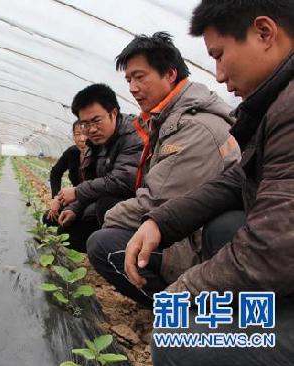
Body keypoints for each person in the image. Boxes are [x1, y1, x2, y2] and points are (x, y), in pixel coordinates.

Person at [119, 1, 294, 364]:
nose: (217, 75)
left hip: (278, 261)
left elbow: (272, 249)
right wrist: (160, 221)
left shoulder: (285, 110)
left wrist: (184, 291)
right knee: (225, 226)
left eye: (219, 55)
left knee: (174, 340)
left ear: (265, 33)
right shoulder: (274, 104)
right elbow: (236, 180)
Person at [86, 32, 240, 307]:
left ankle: (180, 312)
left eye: (139, 77)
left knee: (103, 244)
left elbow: (158, 200)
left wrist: (109, 217)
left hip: (201, 245)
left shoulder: (195, 127)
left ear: (169, 74)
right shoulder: (167, 120)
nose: (132, 87)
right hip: (188, 228)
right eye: (128, 80)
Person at [55, 83, 144, 253]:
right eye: (85, 124)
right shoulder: (95, 143)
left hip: (139, 207)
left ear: (113, 113)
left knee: (106, 205)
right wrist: (74, 208)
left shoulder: (133, 135)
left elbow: (123, 181)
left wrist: (77, 192)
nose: (91, 129)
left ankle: (128, 255)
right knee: (68, 231)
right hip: (107, 204)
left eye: (96, 121)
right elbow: (91, 183)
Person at [46, 120, 87, 222]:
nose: (82, 139)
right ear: (73, 136)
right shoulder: (71, 153)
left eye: (86, 134)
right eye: (77, 134)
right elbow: (55, 173)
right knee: (49, 218)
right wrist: (56, 197)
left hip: (92, 201)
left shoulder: (100, 155)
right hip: (75, 198)